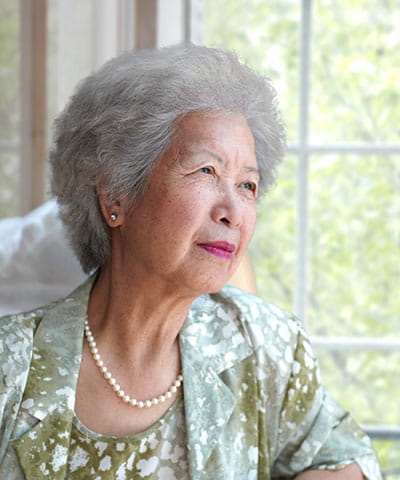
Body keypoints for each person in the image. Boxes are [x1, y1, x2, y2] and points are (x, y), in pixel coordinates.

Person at [0, 45, 381, 479]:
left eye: (247, 186)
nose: (232, 212)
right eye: (205, 171)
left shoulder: (262, 344)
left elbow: (347, 459)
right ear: (115, 195)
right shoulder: (11, 366)